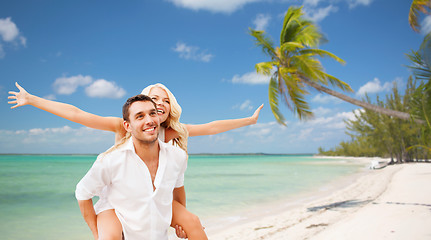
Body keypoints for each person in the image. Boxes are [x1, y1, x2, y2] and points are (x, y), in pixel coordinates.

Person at [8, 82, 263, 239]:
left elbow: (210, 128)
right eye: (154, 99)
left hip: (152, 197)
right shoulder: (124, 126)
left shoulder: (173, 134)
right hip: (119, 199)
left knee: (192, 222)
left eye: (165, 100)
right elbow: (78, 114)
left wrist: (248, 121)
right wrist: (32, 100)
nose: (160, 104)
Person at [76, 94, 187, 239]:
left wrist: (181, 222)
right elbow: (83, 193)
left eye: (152, 113)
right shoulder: (110, 160)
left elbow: (178, 190)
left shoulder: (177, 156)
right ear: (127, 126)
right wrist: (97, 234)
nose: (149, 120)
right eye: (140, 116)